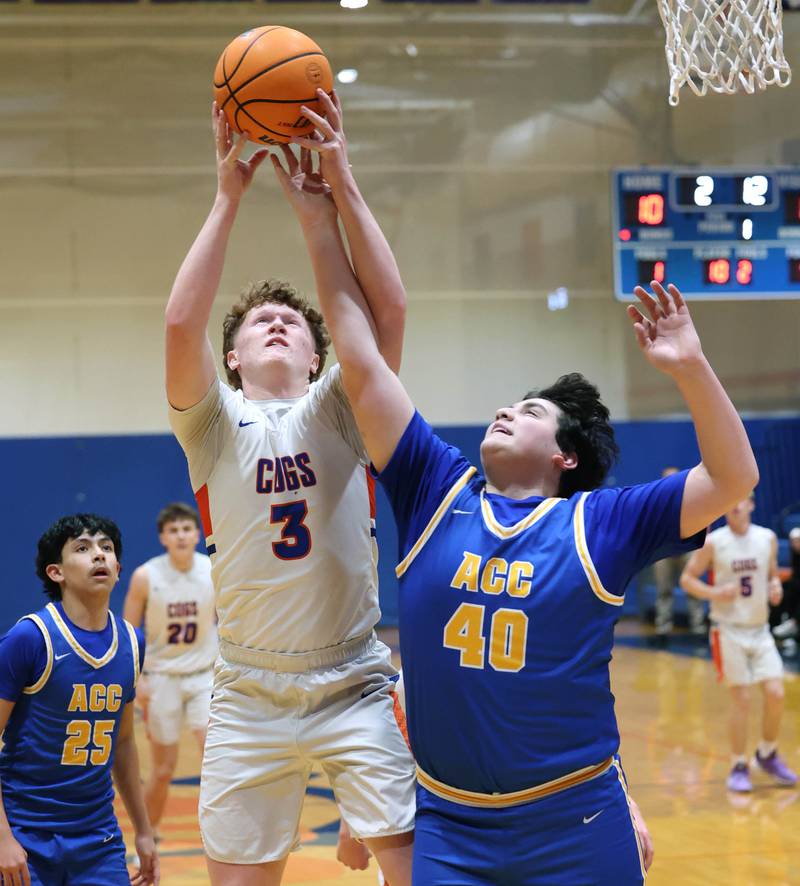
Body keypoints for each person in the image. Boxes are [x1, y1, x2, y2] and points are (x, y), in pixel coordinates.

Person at [274, 89, 758, 884]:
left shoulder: (600, 525)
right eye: (509, 404)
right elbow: (360, 360)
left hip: (576, 821)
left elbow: (734, 476)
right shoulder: (435, 488)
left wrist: (691, 367)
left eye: (530, 411)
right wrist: (324, 210)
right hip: (450, 827)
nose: (506, 410)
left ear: (565, 457)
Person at [164, 100, 416, 885]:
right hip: (247, 689)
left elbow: (388, 310)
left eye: (294, 323)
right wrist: (226, 199)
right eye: (257, 323)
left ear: (317, 356)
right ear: (231, 359)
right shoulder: (211, 423)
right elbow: (179, 326)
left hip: (354, 680)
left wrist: (332, 201)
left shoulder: (341, 405)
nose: (276, 324)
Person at [0, 514, 159, 885]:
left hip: (97, 837)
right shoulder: (30, 638)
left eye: (107, 548)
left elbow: (123, 741)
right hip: (25, 832)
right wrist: (3, 838)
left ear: (118, 568)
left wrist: (144, 830)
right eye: (83, 548)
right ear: (56, 572)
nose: (99, 555)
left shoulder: (132, 642)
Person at [680, 497, 798, 793]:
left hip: (760, 629)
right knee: (742, 699)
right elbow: (687, 579)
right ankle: (738, 764)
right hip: (728, 630)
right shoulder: (714, 542)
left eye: (741, 500)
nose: (735, 505)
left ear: (751, 504)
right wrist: (715, 593)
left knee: (776, 693)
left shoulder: (767, 538)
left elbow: (772, 575)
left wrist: (774, 587)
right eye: (730, 501)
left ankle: (767, 753)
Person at [122, 502, 216, 839]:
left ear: (198, 534)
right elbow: (128, 631)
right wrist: (137, 679)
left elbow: (229, 620)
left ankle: (222, 835)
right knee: (162, 769)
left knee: (215, 759)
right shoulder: (146, 576)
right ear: (163, 538)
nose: (181, 536)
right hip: (162, 677)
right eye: (173, 530)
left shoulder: (213, 569)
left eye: (186, 529)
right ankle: (147, 835)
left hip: (204, 675)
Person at [651, 467, 706, 646]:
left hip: (687, 549)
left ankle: (698, 629)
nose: (671, 482)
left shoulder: (691, 498)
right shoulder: (655, 500)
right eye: (667, 479)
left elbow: (704, 519)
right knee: (663, 591)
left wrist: (700, 545)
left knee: (693, 590)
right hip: (663, 551)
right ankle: (662, 630)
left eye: (674, 478)